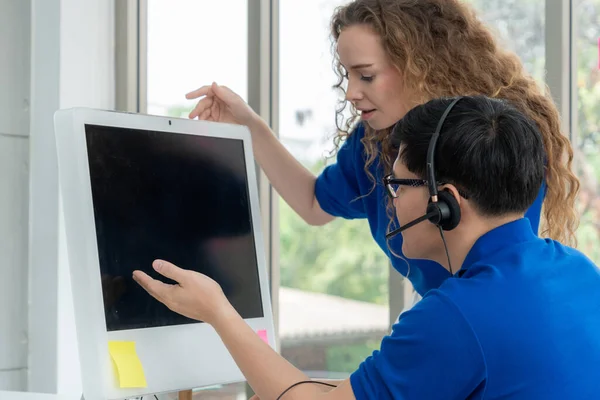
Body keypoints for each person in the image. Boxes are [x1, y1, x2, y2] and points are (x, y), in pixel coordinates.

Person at [133, 95, 600, 399]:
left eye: (397, 186)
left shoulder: (458, 314)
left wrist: (217, 310)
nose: (389, 202)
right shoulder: (577, 271)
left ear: (446, 204)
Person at [184, 0, 579, 300]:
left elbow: (500, 282)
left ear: (422, 64)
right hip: (445, 330)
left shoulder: (495, 143)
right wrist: (250, 127)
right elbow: (313, 203)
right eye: (348, 75)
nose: (352, 93)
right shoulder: (373, 143)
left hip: (493, 328)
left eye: (366, 75)